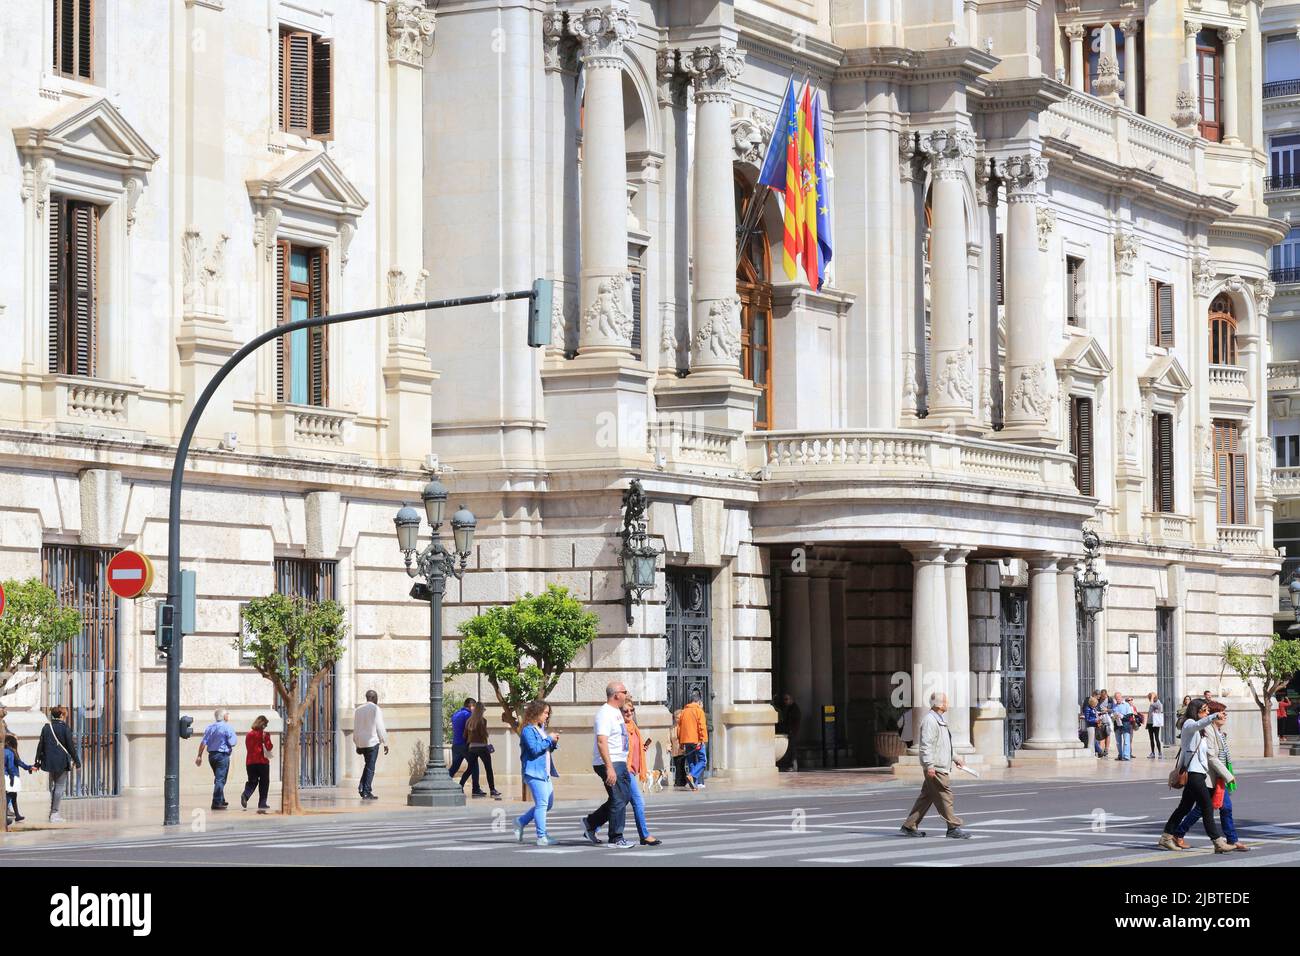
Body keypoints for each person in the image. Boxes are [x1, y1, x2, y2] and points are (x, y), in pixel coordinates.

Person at [1159, 697, 1233, 853]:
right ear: (1197, 710)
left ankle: (1166, 837)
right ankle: (1218, 842)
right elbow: (1198, 724)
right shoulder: (1189, 724)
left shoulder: (1200, 730)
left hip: (1199, 773)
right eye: (1205, 710)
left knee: (1184, 808)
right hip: (1194, 774)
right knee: (1206, 807)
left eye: (1207, 710)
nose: (1207, 712)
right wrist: (1214, 716)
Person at [1173, 702, 1249, 852]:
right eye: (1221, 713)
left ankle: (1231, 839)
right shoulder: (1206, 728)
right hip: (1209, 775)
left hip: (1216, 775)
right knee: (1203, 808)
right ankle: (1179, 833)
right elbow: (1211, 756)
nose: (1224, 715)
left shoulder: (1216, 730)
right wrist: (1228, 775)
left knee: (1218, 807)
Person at [900, 693, 970, 839]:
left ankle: (909, 826)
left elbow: (946, 744)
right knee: (946, 795)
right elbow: (926, 745)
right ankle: (953, 827)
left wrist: (955, 758)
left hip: (939, 765)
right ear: (939, 704)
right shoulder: (930, 721)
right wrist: (929, 765)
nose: (948, 703)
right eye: (946, 701)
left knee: (926, 797)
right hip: (936, 766)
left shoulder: (940, 720)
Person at [581, 682, 635, 849]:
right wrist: (609, 767)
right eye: (624, 692)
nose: (626, 694)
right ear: (617, 694)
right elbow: (601, 741)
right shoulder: (605, 713)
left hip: (619, 761)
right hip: (609, 762)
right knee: (619, 798)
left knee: (622, 797)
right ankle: (616, 837)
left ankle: (591, 822)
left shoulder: (616, 712)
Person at [514, 700, 560, 846]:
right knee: (542, 803)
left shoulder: (540, 729)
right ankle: (541, 836)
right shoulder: (528, 730)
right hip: (533, 772)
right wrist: (548, 739)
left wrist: (552, 742)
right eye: (545, 713)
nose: (547, 716)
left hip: (544, 772)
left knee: (548, 803)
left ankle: (521, 821)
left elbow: (545, 749)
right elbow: (534, 750)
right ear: (536, 712)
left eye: (548, 713)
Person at [622, 699, 662, 847]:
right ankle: (644, 835)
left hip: (632, 769)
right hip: (625, 769)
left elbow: (634, 747)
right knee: (638, 801)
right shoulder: (621, 728)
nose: (629, 713)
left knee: (618, 803)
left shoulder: (633, 727)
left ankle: (591, 824)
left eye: (631, 710)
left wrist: (641, 750)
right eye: (625, 711)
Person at [33, 705, 81, 823]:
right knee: (59, 787)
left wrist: (37, 761)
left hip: (49, 762)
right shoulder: (65, 728)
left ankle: (52, 812)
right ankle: (54, 813)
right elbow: (71, 747)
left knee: (54, 787)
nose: (66, 716)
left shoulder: (46, 727)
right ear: (61, 715)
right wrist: (77, 761)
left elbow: (40, 745)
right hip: (61, 762)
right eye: (65, 714)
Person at [195, 708, 237, 810]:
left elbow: (203, 742)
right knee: (220, 779)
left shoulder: (210, 728)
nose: (228, 716)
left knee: (219, 778)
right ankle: (216, 802)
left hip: (212, 756)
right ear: (224, 716)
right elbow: (233, 742)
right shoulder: (227, 728)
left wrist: (199, 755)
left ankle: (221, 799)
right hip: (222, 756)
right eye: (227, 714)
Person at [353, 689, 388, 801]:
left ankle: (362, 787)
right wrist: (385, 742)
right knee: (370, 767)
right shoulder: (376, 709)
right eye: (376, 698)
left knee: (367, 765)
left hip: (361, 742)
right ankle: (366, 792)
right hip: (372, 742)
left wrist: (356, 743)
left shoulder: (358, 710)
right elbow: (380, 727)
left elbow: (356, 727)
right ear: (373, 698)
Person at [462, 701, 501, 799]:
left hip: (472, 747)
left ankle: (460, 786)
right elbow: (484, 734)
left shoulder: (469, 721)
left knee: (470, 768)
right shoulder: (483, 721)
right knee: (488, 768)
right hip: (482, 747)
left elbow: (464, 736)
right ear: (481, 710)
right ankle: (492, 790)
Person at [240, 715, 274, 812]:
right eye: (265, 725)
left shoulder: (249, 735)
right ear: (263, 725)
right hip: (262, 762)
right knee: (264, 782)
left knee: (252, 781)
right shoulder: (265, 734)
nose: (266, 727)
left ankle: (245, 795)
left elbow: (248, 747)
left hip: (250, 762)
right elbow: (269, 747)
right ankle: (262, 803)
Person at [677, 689, 709, 790]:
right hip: (696, 740)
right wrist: (703, 739)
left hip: (686, 740)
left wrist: (681, 742)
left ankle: (693, 785)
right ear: (699, 702)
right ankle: (691, 775)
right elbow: (702, 726)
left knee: (691, 762)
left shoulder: (684, 711)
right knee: (703, 761)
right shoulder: (699, 711)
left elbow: (680, 727)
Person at [447, 697, 480, 794]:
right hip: (465, 745)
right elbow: (471, 730)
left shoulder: (456, 714)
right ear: (471, 706)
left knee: (454, 767)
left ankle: (443, 783)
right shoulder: (468, 715)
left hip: (456, 745)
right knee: (474, 765)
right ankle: (476, 789)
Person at [4, 734, 33, 824]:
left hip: (6, 776)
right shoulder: (10, 752)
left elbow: (18, 763)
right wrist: (12, 778)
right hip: (10, 777)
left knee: (13, 796)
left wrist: (29, 767)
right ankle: (4, 818)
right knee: (9, 797)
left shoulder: (4, 751)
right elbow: (11, 766)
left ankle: (17, 815)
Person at [776, 693, 801, 772]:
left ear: (791, 699)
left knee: (792, 749)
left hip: (792, 732)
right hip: (790, 731)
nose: (785, 701)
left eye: (786, 699)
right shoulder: (789, 708)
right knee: (790, 749)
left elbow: (793, 721)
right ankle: (791, 765)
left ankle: (793, 766)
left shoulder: (794, 709)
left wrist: (790, 730)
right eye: (784, 699)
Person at [1112, 691, 1134, 761]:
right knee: (1118, 742)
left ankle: (1126, 756)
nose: (1117, 699)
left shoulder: (1126, 705)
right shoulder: (1114, 705)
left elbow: (1130, 715)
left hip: (1125, 725)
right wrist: (1113, 716)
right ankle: (1120, 755)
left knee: (1126, 741)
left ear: (1121, 697)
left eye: (1118, 698)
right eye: (1116, 698)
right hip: (1117, 725)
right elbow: (1112, 714)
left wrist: (1122, 716)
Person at [669, 709, 686, 788]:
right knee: (677, 765)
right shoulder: (672, 727)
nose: (677, 719)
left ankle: (679, 781)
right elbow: (669, 738)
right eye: (676, 718)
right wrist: (669, 747)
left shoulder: (684, 727)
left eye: (679, 718)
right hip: (675, 749)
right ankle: (682, 780)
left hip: (682, 749)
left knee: (680, 765)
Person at [1146, 693, 1164, 759]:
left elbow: (1155, 706)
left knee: (1156, 738)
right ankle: (1152, 752)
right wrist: (1147, 724)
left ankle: (1160, 752)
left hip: (1155, 724)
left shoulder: (1158, 703)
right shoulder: (1152, 703)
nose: (1149, 699)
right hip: (1150, 723)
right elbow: (1149, 714)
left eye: (1149, 698)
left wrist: (1152, 698)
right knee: (1151, 739)